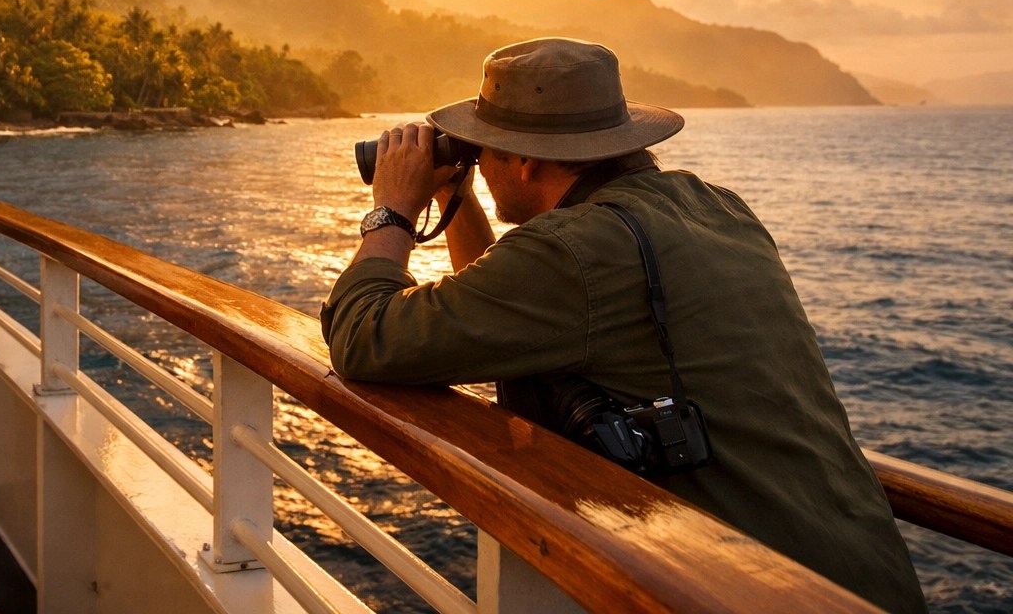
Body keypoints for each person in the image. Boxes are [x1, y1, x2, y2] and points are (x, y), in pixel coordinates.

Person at [321, 37, 926, 613]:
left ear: (526, 161)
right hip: (863, 579)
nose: (476, 158)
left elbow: (363, 336)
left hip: (755, 593)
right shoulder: (713, 205)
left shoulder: (579, 251)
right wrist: (463, 199)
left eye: (485, 146)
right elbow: (498, 314)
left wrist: (392, 209)